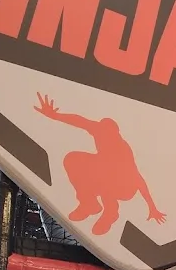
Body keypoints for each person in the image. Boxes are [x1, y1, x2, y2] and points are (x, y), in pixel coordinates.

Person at [33, 92, 167, 236]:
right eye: (102, 131)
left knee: (107, 174)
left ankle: (111, 211)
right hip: (105, 174)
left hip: (126, 187)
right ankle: (88, 202)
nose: (103, 135)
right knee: (72, 159)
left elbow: (138, 179)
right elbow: (79, 121)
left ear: (115, 134)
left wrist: (152, 207)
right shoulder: (98, 131)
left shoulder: (122, 149)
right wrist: (55, 116)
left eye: (108, 133)